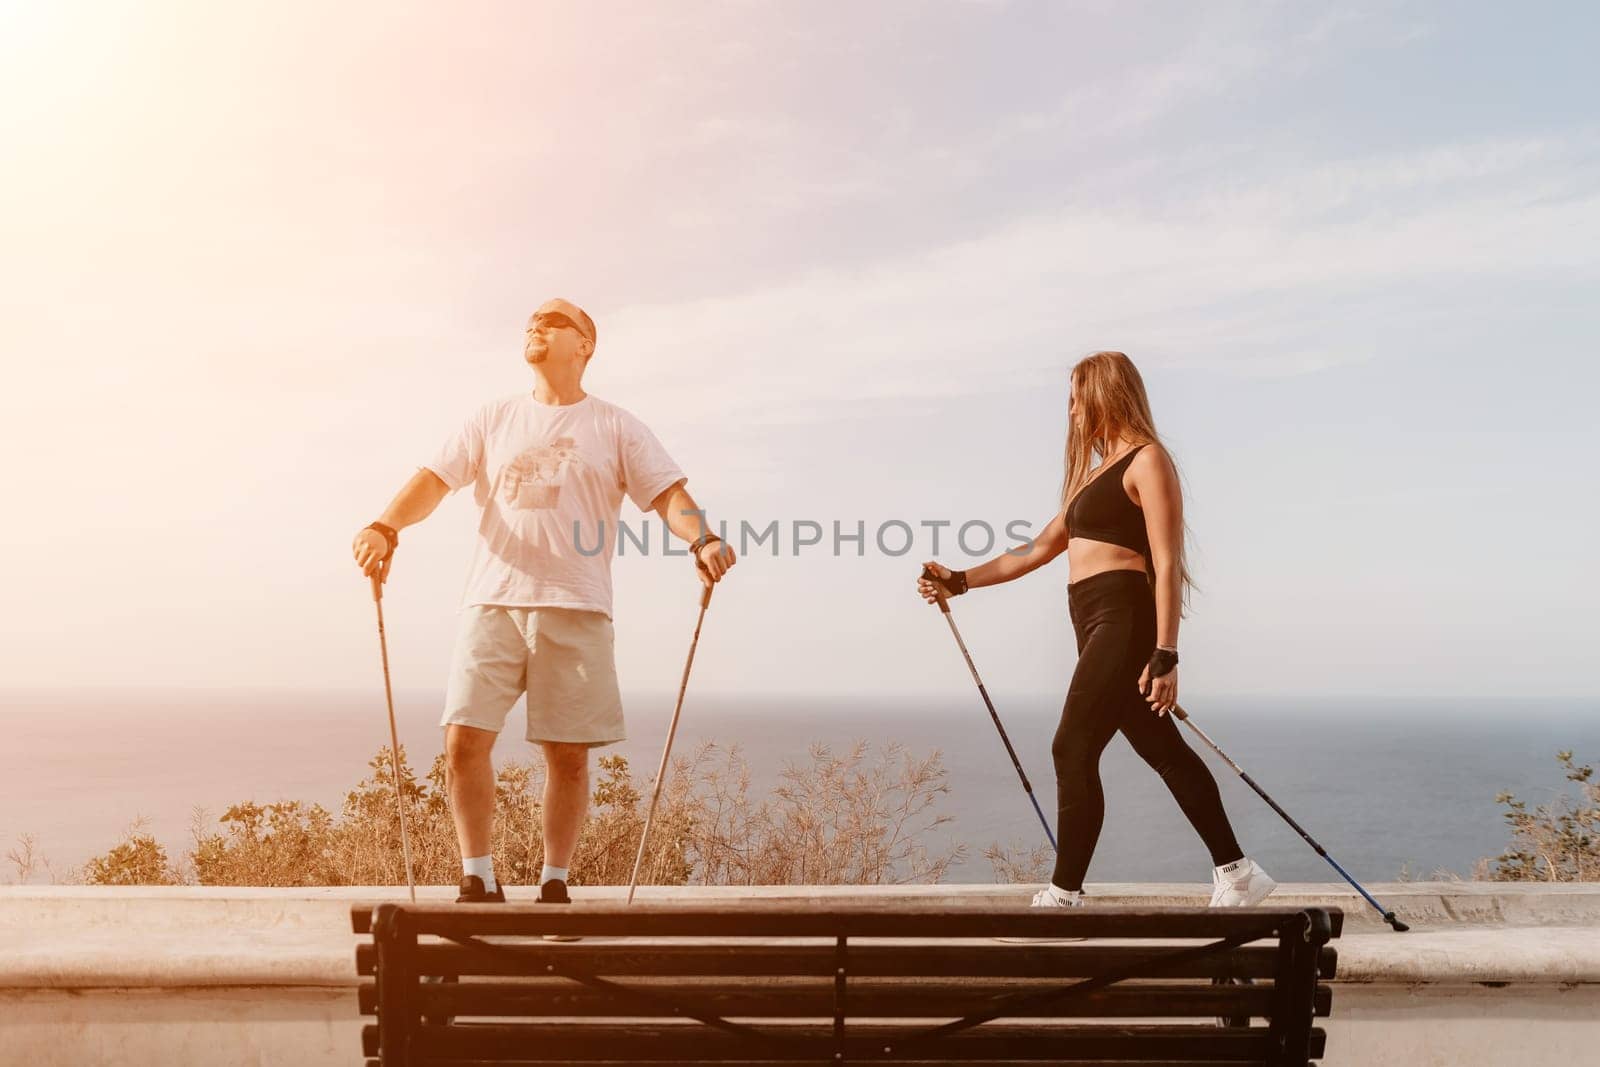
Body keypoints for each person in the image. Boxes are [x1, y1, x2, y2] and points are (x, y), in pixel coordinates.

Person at [352, 298, 736, 906]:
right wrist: (385, 526)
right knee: (462, 740)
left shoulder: (616, 425)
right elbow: (434, 481)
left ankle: (554, 883)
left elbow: (668, 495)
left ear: (585, 345)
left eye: (555, 321)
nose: (536, 325)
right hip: (492, 601)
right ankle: (478, 875)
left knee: (569, 756)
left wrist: (703, 538)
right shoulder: (492, 417)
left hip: (577, 605)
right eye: (531, 320)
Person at [917, 350, 1274, 910]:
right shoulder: (1091, 475)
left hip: (1123, 617)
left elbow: (1167, 559)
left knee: (1072, 746)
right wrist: (959, 579)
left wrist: (1166, 652)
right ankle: (1238, 870)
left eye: (1077, 396)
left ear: (1105, 392)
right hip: (1089, 619)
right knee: (1164, 751)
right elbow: (1034, 551)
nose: (1072, 409)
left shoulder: (1147, 461)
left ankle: (1064, 893)